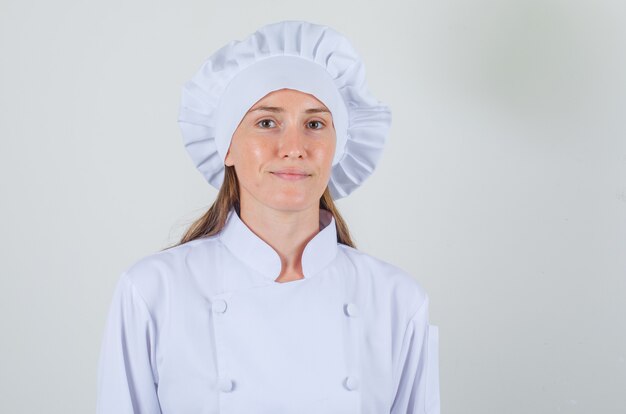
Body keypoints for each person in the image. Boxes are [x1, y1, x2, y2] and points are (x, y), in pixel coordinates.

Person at [96, 20, 440, 414]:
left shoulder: (397, 300)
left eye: (314, 124)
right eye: (266, 122)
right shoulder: (153, 292)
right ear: (226, 146)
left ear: (339, 147)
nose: (293, 148)